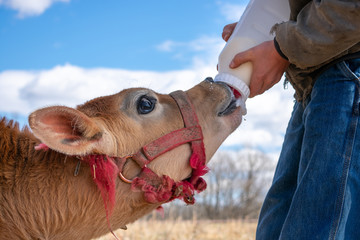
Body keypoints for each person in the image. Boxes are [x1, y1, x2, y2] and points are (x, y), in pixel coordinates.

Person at [221, 0, 360, 239]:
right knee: (273, 229)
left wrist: (282, 47)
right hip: (310, 80)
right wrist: (264, 29)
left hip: (346, 70)